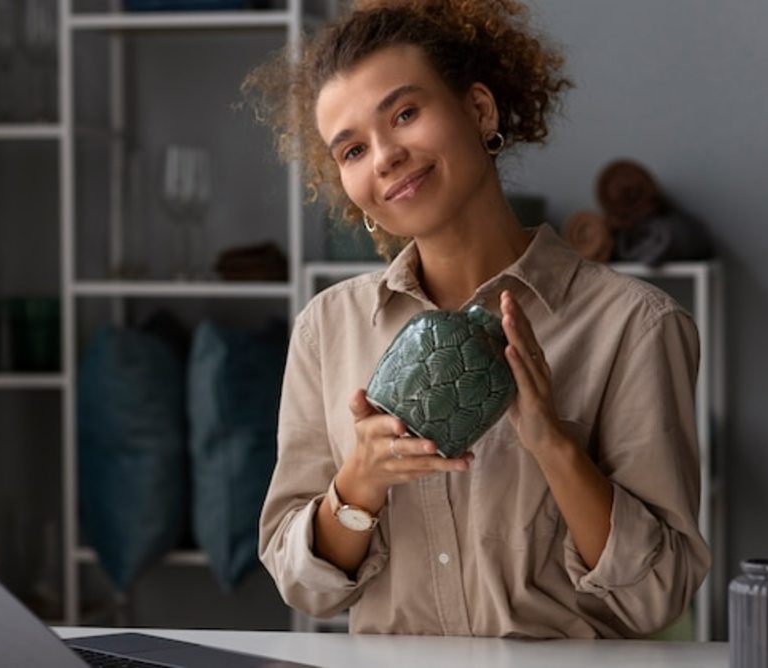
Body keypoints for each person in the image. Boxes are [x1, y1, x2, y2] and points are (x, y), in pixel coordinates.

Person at [244, 0, 710, 638]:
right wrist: (359, 486)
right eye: (351, 150)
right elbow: (304, 587)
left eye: (405, 114)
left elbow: (658, 595)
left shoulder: (635, 326)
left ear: (479, 110)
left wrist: (552, 444)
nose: (384, 157)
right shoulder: (328, 328)